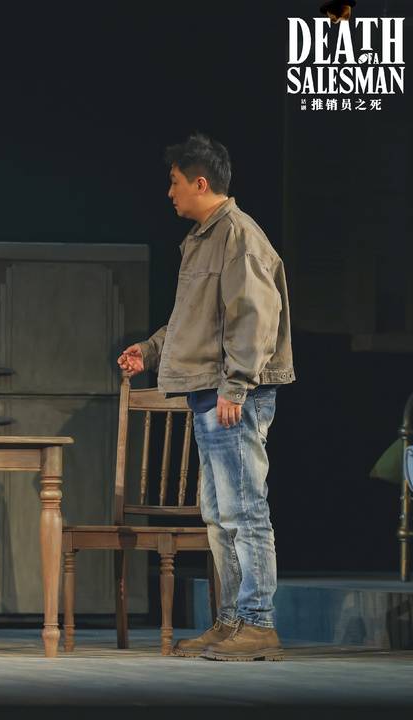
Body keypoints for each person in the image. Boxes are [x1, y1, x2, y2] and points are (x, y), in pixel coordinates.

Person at [118, 134, 294, 661]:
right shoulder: (202, 239)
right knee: (218, 514)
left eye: (174, 182)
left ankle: (258, 624)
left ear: (200, 182)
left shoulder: (239, 235)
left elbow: (254, 318)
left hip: (231, 394)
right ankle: (231, 620)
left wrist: (236, 385)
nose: (169, 192)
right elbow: (191, 320)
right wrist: (150, 351)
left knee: (245, 510)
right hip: (208, 392)